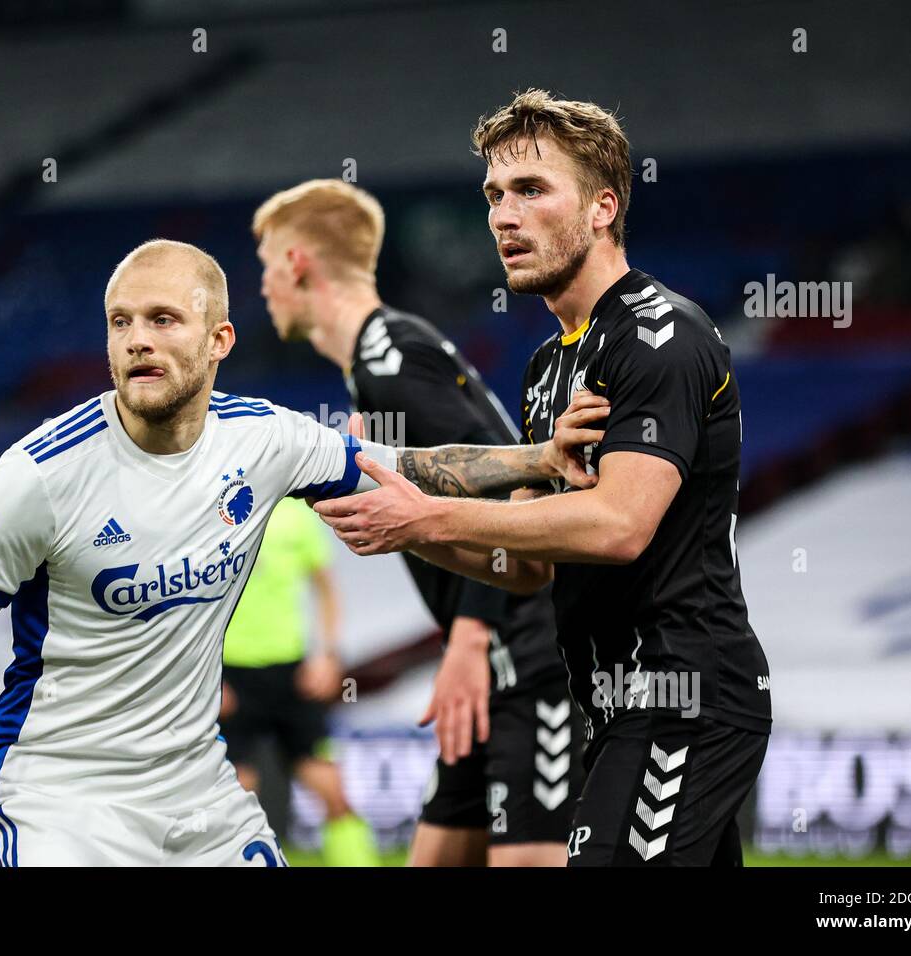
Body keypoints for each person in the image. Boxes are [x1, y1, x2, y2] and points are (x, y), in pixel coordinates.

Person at [0, 239, 578, 867]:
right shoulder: (39, 477)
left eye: (163, 319)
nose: (138, 340)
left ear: (219, 340)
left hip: (198, 793)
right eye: (121, 323)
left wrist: (539, 456)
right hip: (61, 796)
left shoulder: (265, 440)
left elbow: (411, 468)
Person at [312, 90, 773, 866]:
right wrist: (402, 524)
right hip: (611, 703)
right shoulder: (546, 368)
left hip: (681, 697)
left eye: (530, 190)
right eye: (494, 194)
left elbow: (620, 526)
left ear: (602, 207)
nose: (502, 216)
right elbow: (524, 569)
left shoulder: (660, 334)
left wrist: (433, 520)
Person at [253, 180, 581, 866]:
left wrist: (467, 640)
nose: (262, 288)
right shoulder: (380, 364)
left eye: (264, 265)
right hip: (495, 655)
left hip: (530, 655)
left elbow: (514, 485)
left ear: (297, 264)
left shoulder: (392, 361)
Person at [219, 496, 378, 866]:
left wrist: (328, 655)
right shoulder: (212, 506)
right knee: (234, 801)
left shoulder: (296, 515)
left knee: (334, 793)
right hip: (230, 674)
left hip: (291, 673)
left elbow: (326, 588)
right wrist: (203, 675)